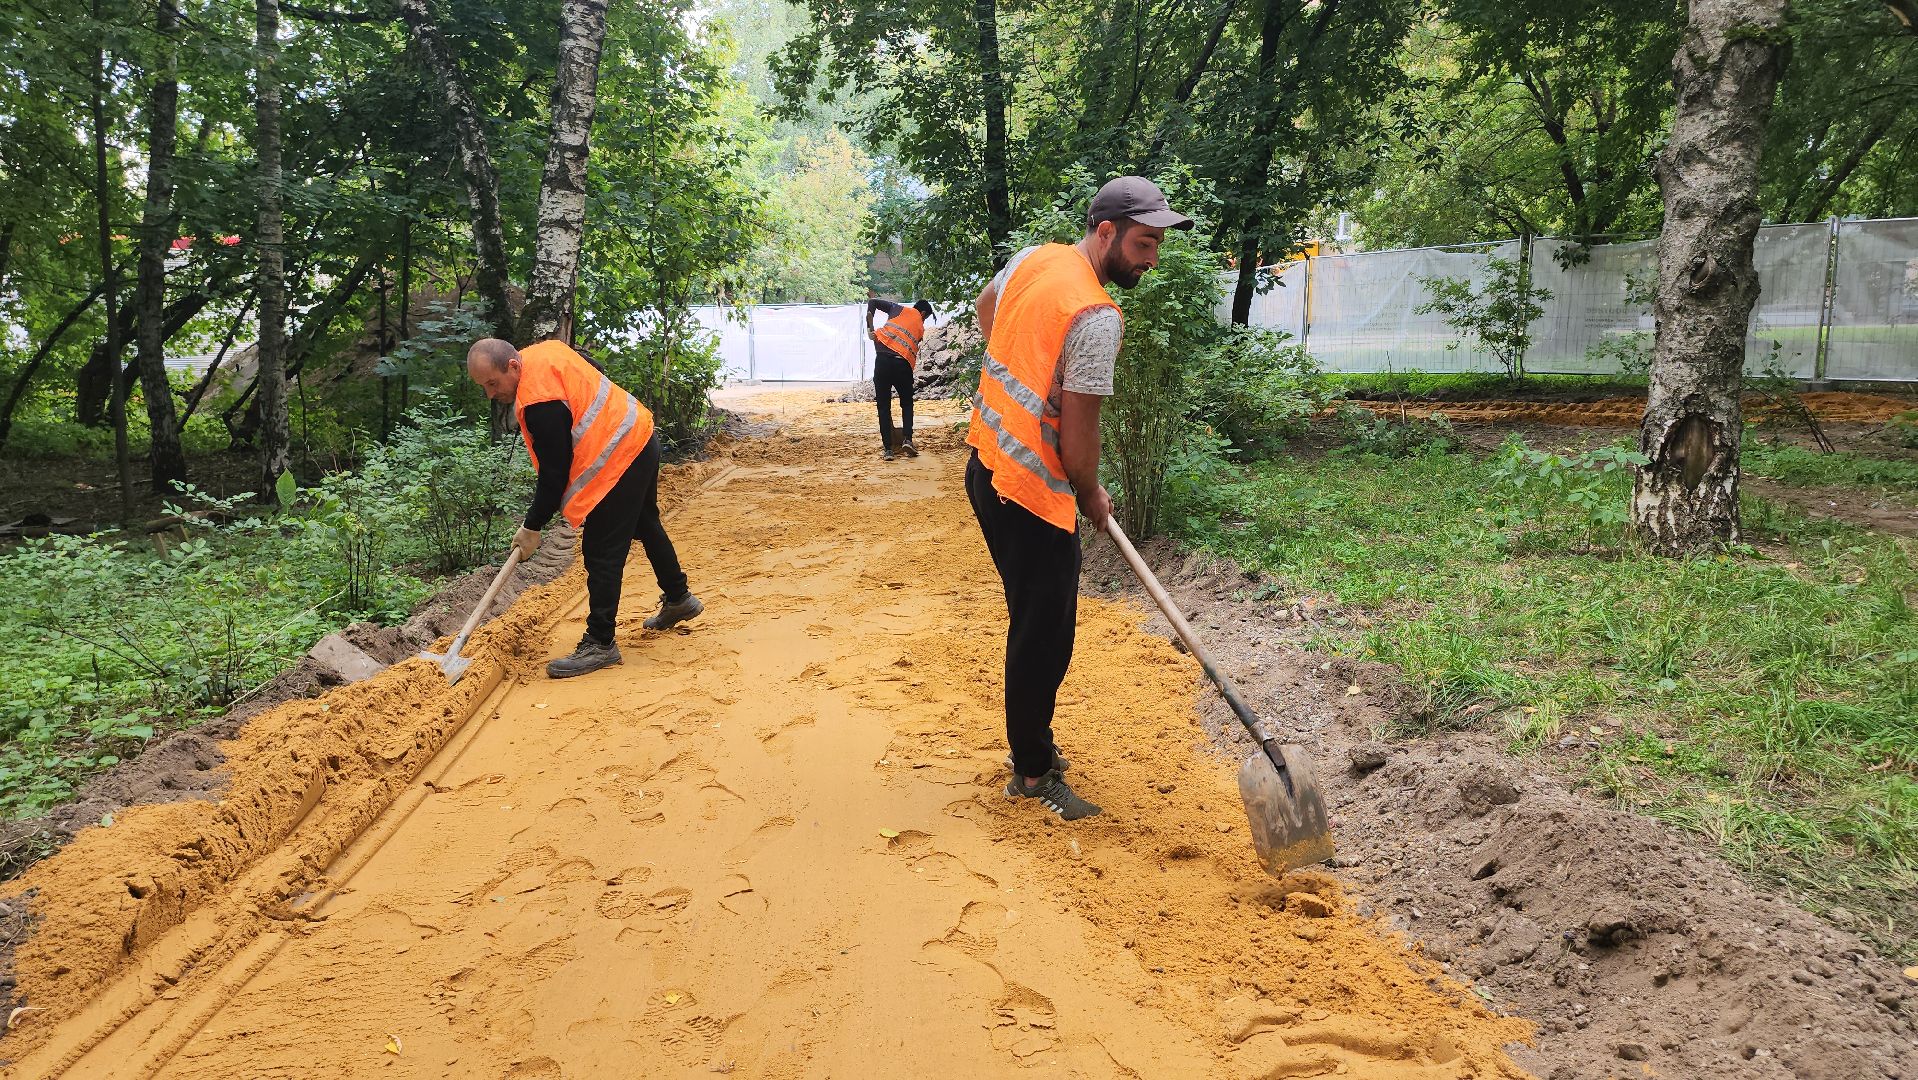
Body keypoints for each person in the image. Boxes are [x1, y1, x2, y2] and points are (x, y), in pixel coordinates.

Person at [965, 176, 1191, 820]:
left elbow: (987, 307)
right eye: (1144, 245)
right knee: (1046, 632)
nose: (1150, 260)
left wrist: (1034, 377)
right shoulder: (1094, 316)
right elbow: (1079, 436)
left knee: (1032, 619)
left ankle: (1032, 743)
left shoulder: (1039, 259)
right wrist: (1090, 493)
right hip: (1032, 492)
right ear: (1106, 232)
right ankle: (1033, 772)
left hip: (986, 468)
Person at [466, 337, 704, 678]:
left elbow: (554, 474)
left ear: (513, 365)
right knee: (644, 522)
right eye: (484, 386)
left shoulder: (539, 402)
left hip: (621, 455)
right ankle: (679, 598)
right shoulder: (540, 354)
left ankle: (600, 643)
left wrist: (531, 527)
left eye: (493, 383)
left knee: (601, 549)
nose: (491, 394)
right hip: (638, 435)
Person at [867, 294, 935, 460]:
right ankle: (907, 439)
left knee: (883, 406)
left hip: (882, 361)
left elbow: (873, 302)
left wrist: (870, 329)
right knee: (907, 403)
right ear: (924, 314)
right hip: (902, 365)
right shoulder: (920, 327)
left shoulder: (897, 309)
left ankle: (888, 449)